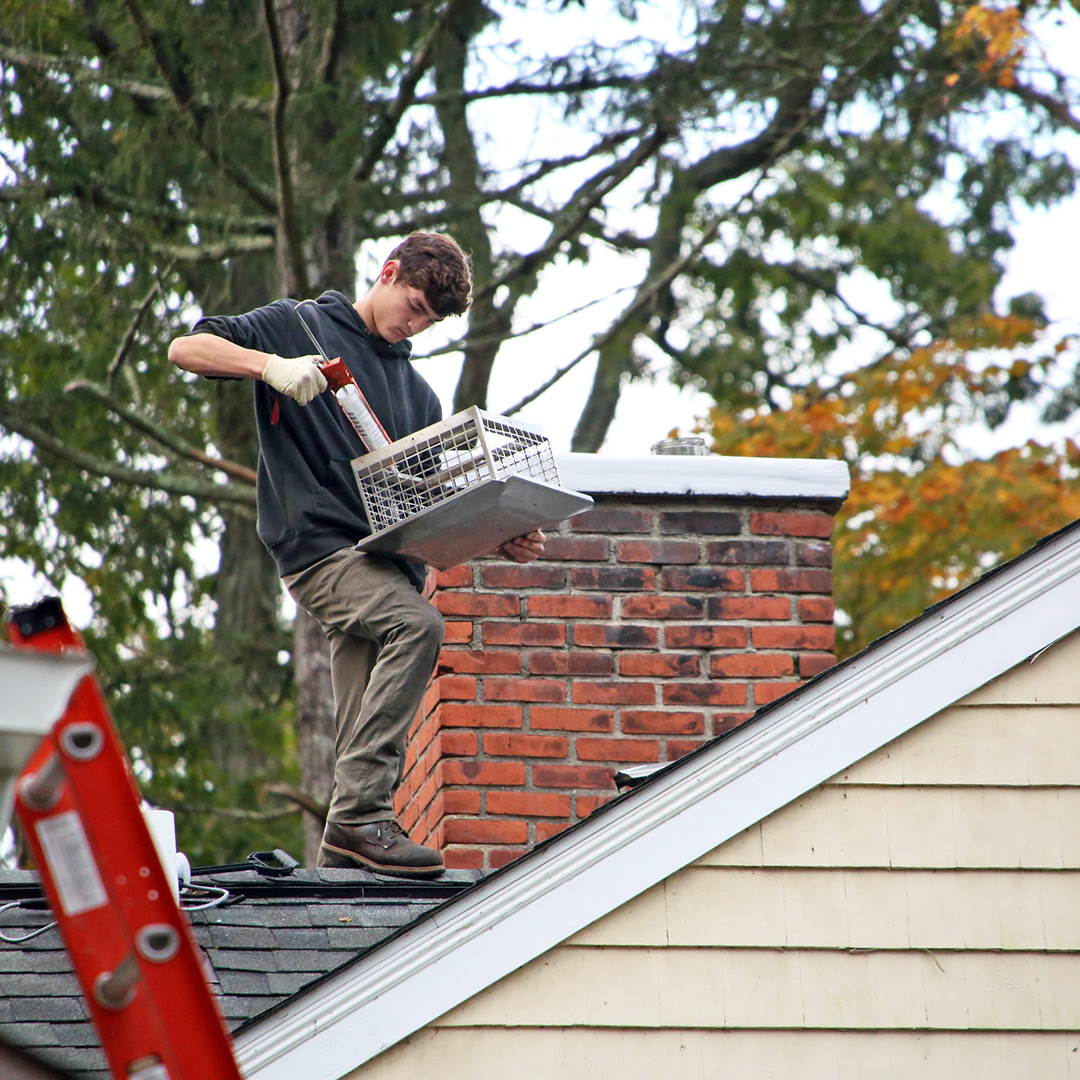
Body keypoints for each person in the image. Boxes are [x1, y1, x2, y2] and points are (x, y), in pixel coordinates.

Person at [168, 232, 545, 878]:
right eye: (416, 306)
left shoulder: (420, 397)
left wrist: (496, 530)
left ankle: (340, 877)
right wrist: (271, 368)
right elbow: (186, 347)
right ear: (389, 272)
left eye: (430, 320)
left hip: (387, 564)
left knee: (358, 732)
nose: (416, 326)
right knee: (419, 626)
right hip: (320, 551)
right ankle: (363, 819)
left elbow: (427, 501)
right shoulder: (298, 325)